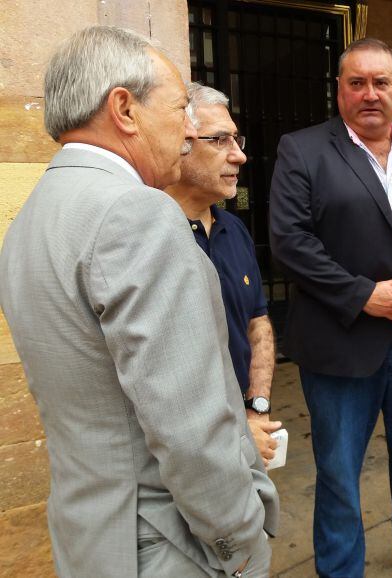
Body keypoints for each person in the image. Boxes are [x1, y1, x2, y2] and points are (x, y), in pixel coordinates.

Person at [0, 26, 278, 578]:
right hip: (165, 542)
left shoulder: (32, 215)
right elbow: (189, 426)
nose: (187, 130)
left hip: (91, 532)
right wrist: (239, 539)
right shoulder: (137, 213)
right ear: (124, 109)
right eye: (179, 108)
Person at [269, 38, 392, 578]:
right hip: (340, 343)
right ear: (339, 91)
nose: (370, 94)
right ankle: (340, 570)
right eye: (356, 82)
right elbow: (290, 241)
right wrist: (365, 295)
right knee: (337, 471)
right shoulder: (302, 149)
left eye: (381, 82)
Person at [166, 83, 282, 465]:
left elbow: (258, 323)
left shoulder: (235, 229)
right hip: (191, 451)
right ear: (180, 142)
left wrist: (257, 410)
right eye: (219, 140)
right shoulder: (152, 235)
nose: (240, 156)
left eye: (237, 139)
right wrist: (234, 431)